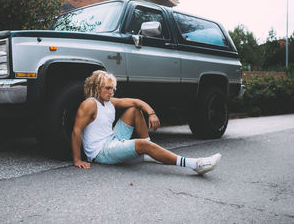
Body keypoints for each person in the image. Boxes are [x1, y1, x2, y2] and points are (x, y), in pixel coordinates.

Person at [71, 70, 221, 174]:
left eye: (113, 88)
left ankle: (149, 152)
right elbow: (76, 131)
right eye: (108, 88)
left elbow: (136, 102)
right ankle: (195, 164)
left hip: (111, 140)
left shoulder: (109, 102)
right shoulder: (89, 104)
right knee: (143, 145)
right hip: (101, 152)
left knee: (134, 109)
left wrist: (151, 113)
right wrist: (77, 159)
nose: (111, 92)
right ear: (97, 88)